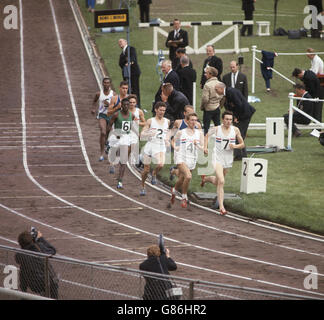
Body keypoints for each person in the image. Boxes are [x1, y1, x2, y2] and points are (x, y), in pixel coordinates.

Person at [202, 111, 245, 215]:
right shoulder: (216, 129)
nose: (228, 121)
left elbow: (242, 144)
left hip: (228, 159)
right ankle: (222, 207)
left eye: (230, 119)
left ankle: (206, 178)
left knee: (218, 181)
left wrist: (235, 146)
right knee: (221, 181)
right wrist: (205, 147)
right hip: (216, 158)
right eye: (226, 119)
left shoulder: (235, 130)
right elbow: (206, 136)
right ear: (222, 120)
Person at [170, 113, 204, 208]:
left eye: (195, 120)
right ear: (187, 121)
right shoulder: (182, 132)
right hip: (181, 157)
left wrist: (199, 146)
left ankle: (174, 190)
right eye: (192, 120)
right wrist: (175, 147)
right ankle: (184, 197)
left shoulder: (199, 133)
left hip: (192, 158)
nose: (194, 122)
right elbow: (172, 140)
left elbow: (203, 147)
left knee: (182, 178)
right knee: (188, 176)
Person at [215, 82, 255, 160]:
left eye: (216, 89)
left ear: (221, 88)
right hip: (242, 114)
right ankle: (241, 155)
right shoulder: (228, 92)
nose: (215, 91)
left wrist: (237, 117)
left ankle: (239, 155)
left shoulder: (231, 92)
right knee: (239, 134)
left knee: (238, 134)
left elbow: (239, 104)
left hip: (244, 114)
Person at [15, 229, 59, 299]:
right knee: (54, 279)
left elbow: (21, 254)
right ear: (32, 240)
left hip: (32, 285)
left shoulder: (19, 255)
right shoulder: (39, 247)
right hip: (46, 283)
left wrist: (33, 241)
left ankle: (23, 294)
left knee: (23, 269)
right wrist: (40, 239)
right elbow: (52, 250)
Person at [140, 102, 170, 195]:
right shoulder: (150, 121)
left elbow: (166, 133)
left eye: (164, 110)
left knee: (161, 164)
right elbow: (142, 134)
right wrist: (149, 133)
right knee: (146, 170)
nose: (162, 112)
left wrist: (167, 140)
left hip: (161, 146)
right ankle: (142, 186)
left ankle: (154, 174)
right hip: (150, 146)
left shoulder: (167, 121)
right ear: (156, 110)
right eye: (160, 110)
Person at [108, 97, 135, 189]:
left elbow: (130, 127)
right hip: (116, 138)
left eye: (128, 105)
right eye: (124, 105)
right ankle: (110, 151)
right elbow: (109, 126)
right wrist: (114, 133)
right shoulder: (116, 115)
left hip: (125, 138)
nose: (126, 106)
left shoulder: (132, 115)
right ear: (121, 106)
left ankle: (120, 181)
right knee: (113, 155)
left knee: (123, 161)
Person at [91, 77, 115, 161]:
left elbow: (118, 105)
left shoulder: (113, 94)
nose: (106, 84)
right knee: (103, 132)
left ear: (110, 84)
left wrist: (110, 105)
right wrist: (93, 109)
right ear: (102, 83)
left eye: (108, 83)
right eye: (105, 83)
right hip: (102, 115)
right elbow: (94, 101)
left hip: (111, 116)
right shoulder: (99, 93)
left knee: (107, 133)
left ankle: (106, 144)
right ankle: (101, 154)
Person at [200, 67, 223, 136]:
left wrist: (202, 106)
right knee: (218, 127)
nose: (205, 74)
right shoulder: (220, 84)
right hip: (217, 107)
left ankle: (205, 144)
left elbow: (205, 99)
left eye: (206, 73)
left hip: (208, 109)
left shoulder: (207, 85)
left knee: (206, 129)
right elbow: (223, 97)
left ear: (210, 74)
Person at [118, 38, 141, 108]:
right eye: (119, 43)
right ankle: (129, 105)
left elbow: (133, 58)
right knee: (128, 89)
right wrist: (126, 60)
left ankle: (137, 106)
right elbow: (120, 63)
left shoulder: (131, 49)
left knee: (135, 89)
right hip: (126, 74)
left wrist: (129, 62)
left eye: (121, 41)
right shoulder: (122, 54)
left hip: (133, 73)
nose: (120, 43)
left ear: (126, 42)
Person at [128, 94, 146, 165]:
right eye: (130, 102)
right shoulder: (124, 111)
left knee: (132, 146)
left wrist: (138, 123)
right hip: (125, 132)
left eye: (133, 102)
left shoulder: (139, 112)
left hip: (134, 134)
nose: (132, 104)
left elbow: (145, 123)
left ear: (136, 103)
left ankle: (131, 162)